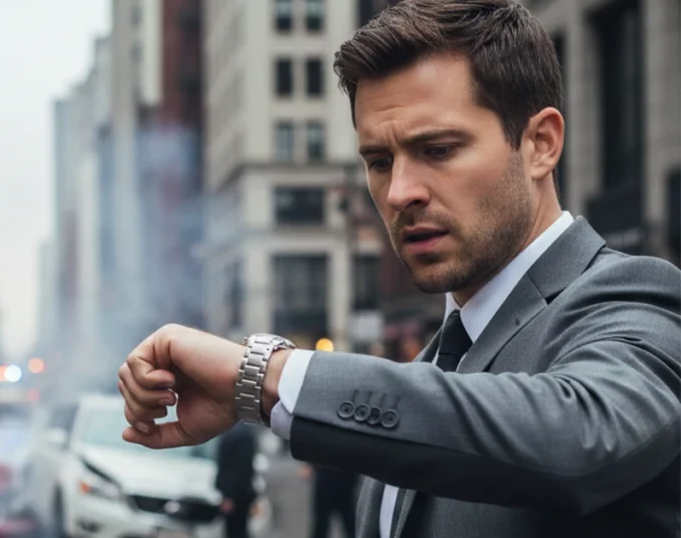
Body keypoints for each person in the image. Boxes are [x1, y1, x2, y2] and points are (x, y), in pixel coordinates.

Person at [115, 1, 680, 537]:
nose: (400, 192)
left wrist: (265, 374)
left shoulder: (636, 298)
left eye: (437, 149)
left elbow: (578, 439)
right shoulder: (438, 359)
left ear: (540, 144)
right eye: (380, 162)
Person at [214, 423, 257, 538]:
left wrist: (229, 496)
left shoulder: (238, 434)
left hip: (236, 496)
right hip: (238, 494)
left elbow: (238, 469)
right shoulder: (240, 432)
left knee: (236, 531)